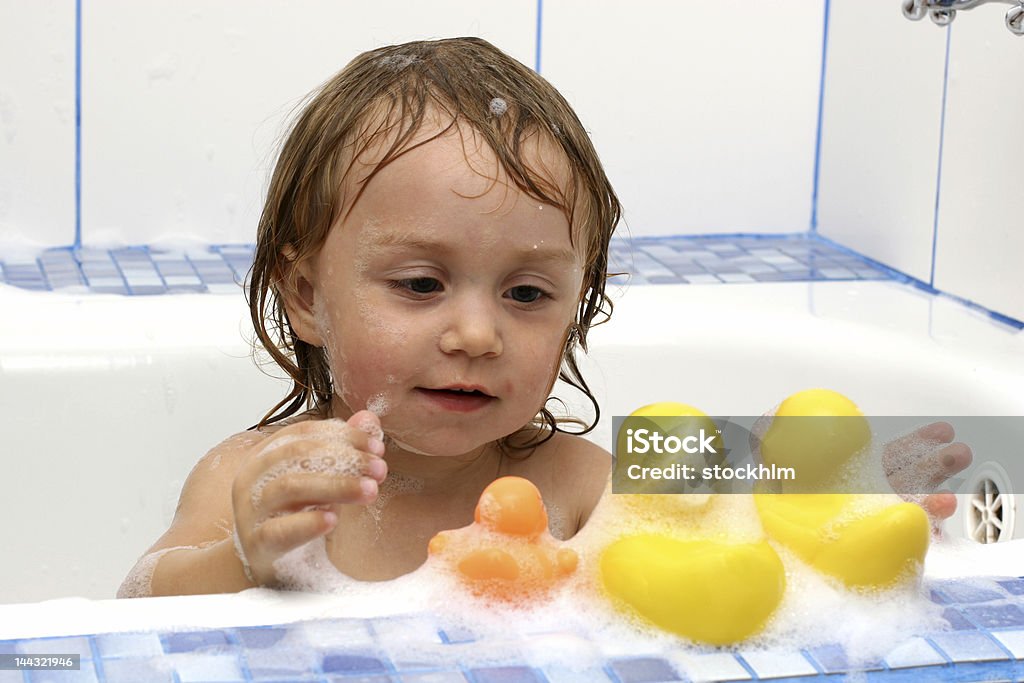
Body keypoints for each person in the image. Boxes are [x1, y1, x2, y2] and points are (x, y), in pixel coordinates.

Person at [119, 37, 970, 598]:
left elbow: (737, 495)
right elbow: (133, 600)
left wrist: (846, 494)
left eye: (527, 294)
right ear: (306, 295)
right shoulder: (261, 474)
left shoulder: (575, 476)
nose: (478, 334)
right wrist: (240, 552)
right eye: (421, 283)